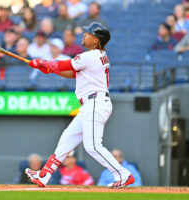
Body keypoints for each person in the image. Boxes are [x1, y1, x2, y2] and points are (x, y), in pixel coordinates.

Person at [25, 22, 135, 188]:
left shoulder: (91, 55)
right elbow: (71, 73)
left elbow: (64, 65)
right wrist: (48, 68)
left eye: (88, 33)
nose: (84, 35)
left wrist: (42, 63)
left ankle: (122, 173)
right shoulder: (96, 56)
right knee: (66, 140)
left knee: (92, 146)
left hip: (95, 103)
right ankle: (44, 175)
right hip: (91, 105)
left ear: (97, 40)